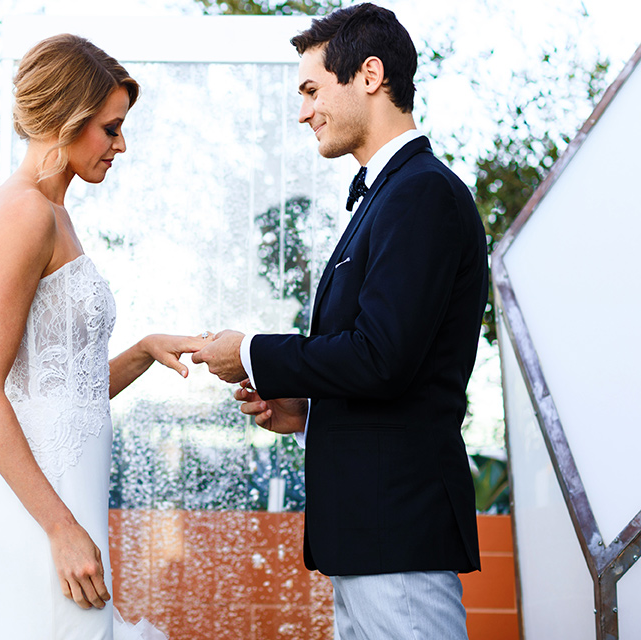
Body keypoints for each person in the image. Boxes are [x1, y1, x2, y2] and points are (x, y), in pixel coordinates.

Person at [191, 4, 487, 639]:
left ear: (370, 75)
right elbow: (391, 365)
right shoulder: (390, 195)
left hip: (398, 540)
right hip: (370, 543)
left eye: (311, 89)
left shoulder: (422, 193)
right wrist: (307, 411)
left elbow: (381, 357)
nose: (303, 112)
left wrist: (251, 353)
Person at [0, 34, 198, 639]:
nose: (121, 145)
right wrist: (60, 529)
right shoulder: (24, 214)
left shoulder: (52, 213)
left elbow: (66, 390)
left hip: (67, 496)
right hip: (41, 512)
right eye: (110, 128)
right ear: (67, 119)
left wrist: (143, 351)